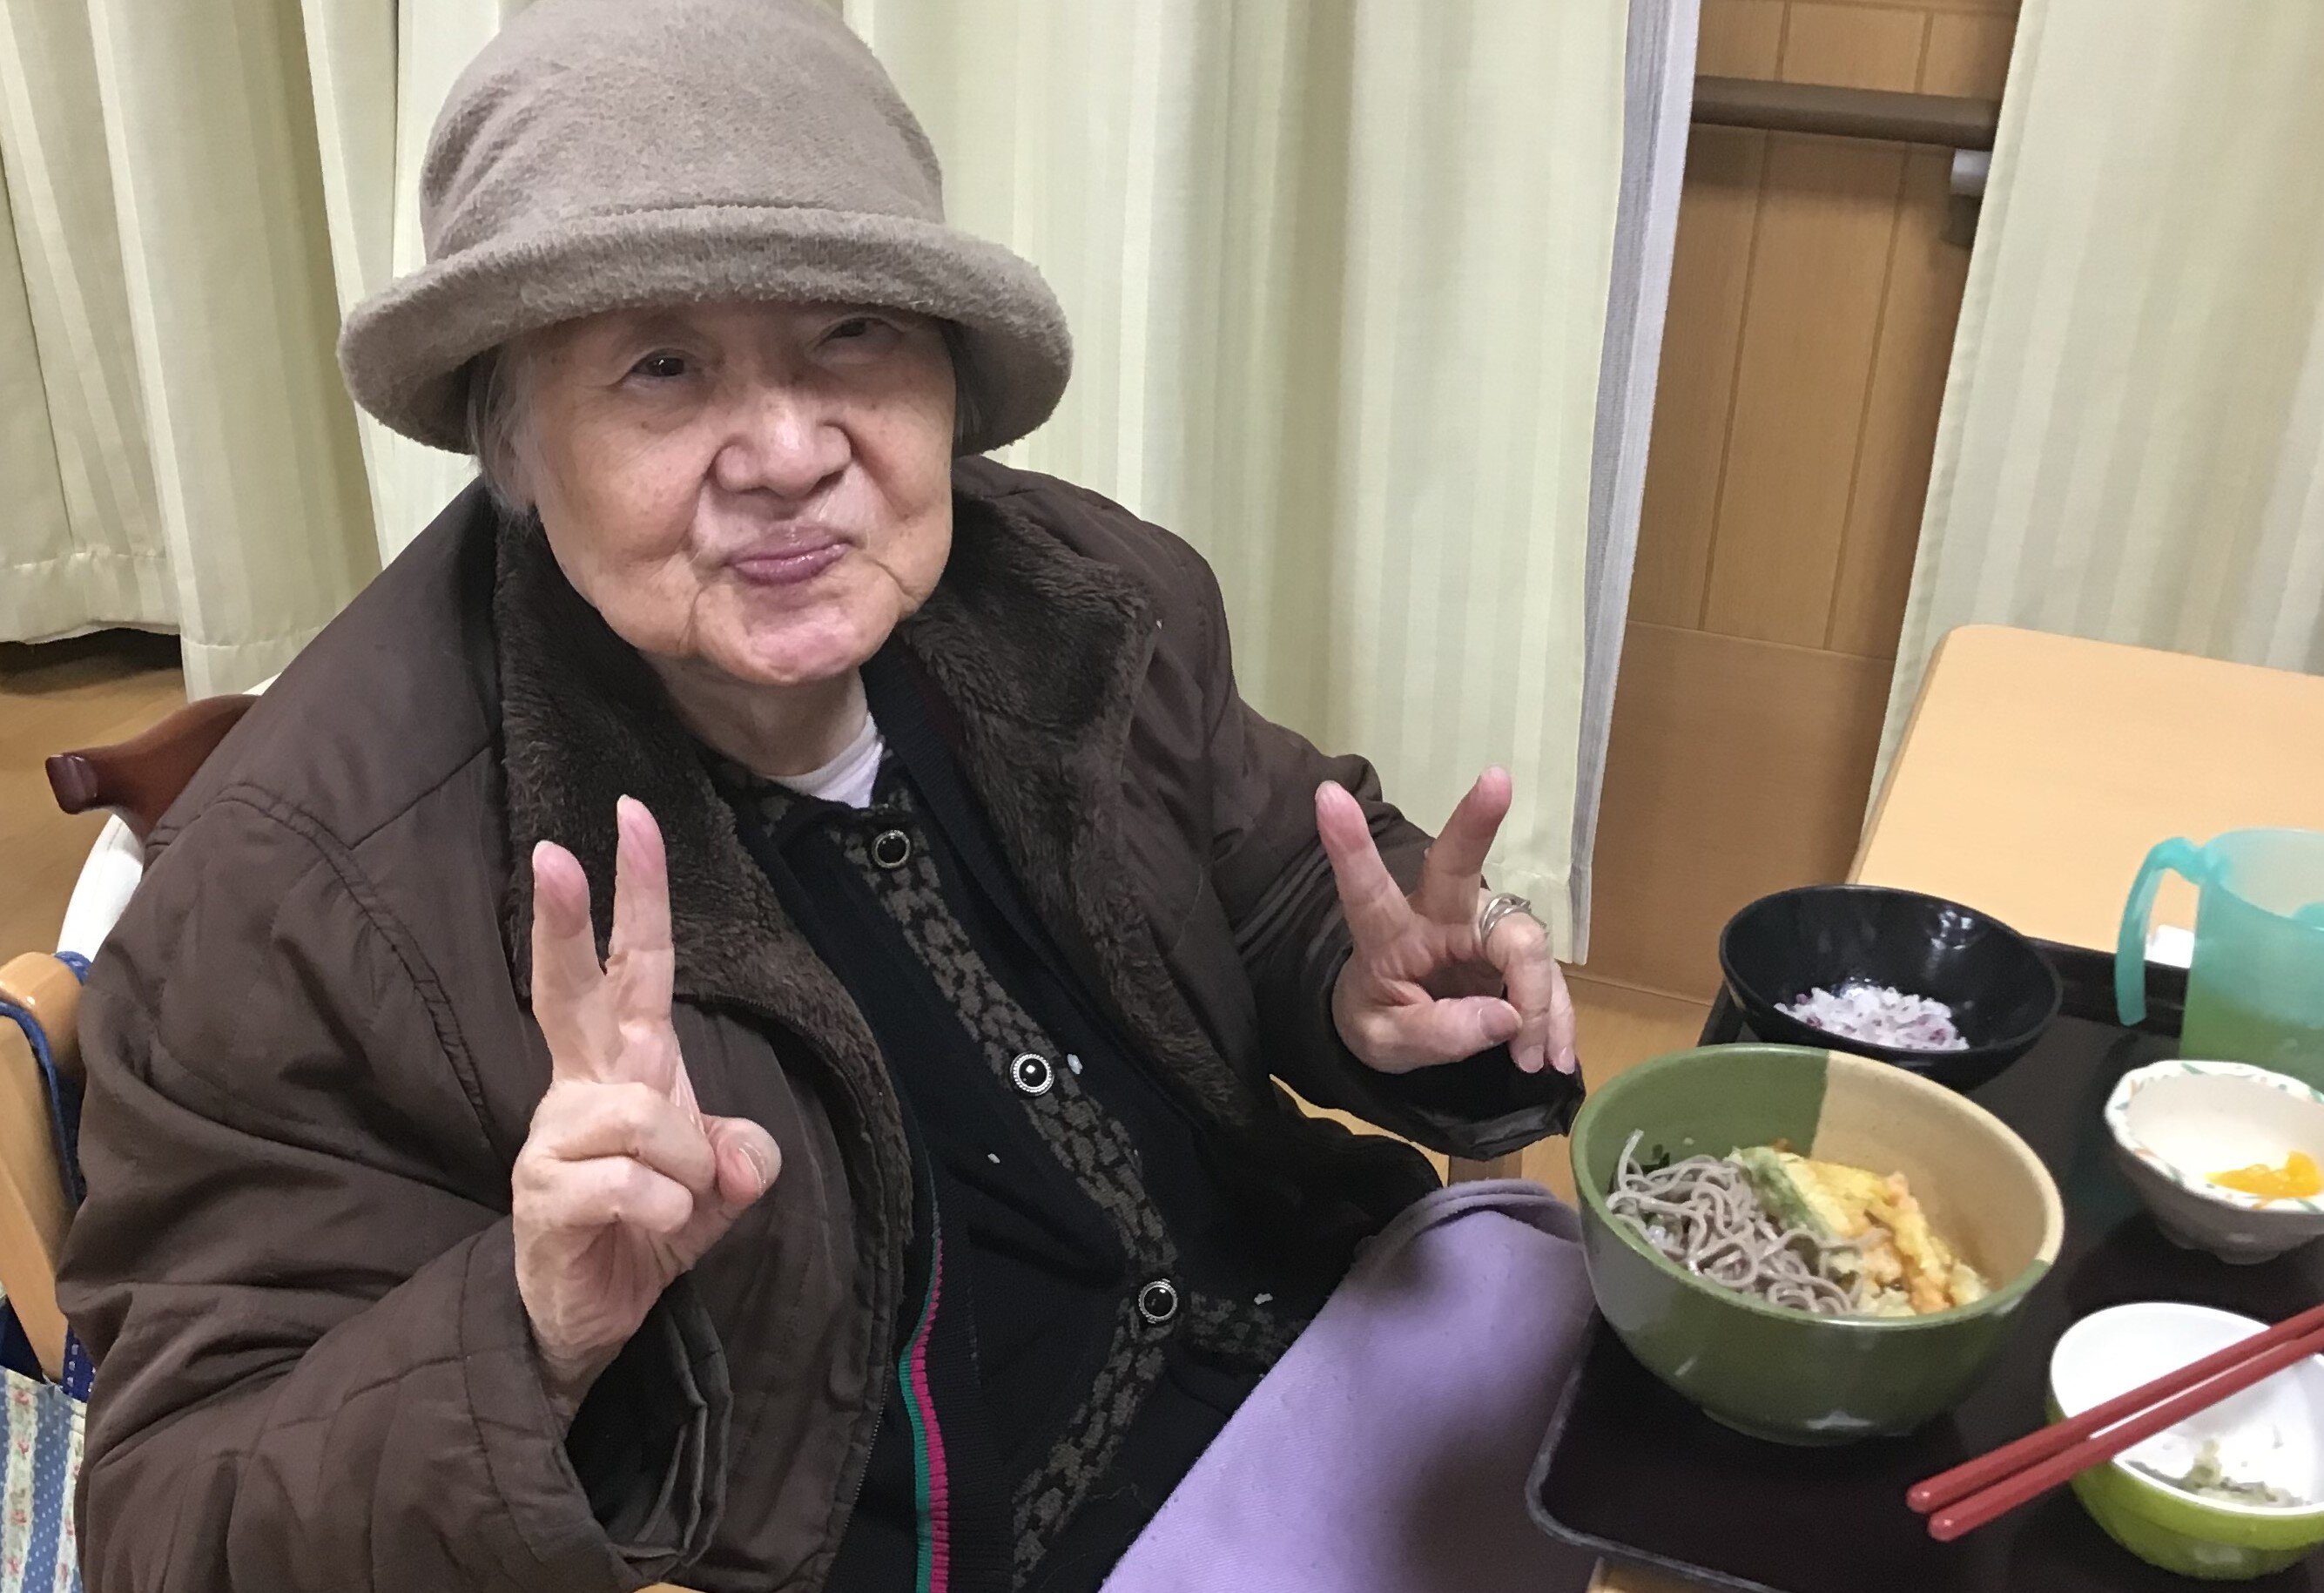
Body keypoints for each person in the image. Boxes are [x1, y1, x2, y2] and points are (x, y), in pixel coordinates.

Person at [57, 1, 1584, 1589]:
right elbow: (168, 1527)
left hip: (1326, 1346)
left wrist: (1381, 986)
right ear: (509, 437)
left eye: (851, 332)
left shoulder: (1076, 594)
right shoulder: (297, 898)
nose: (787, 451)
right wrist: (530, 1331)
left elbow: (1275, 877)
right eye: (662, 365)